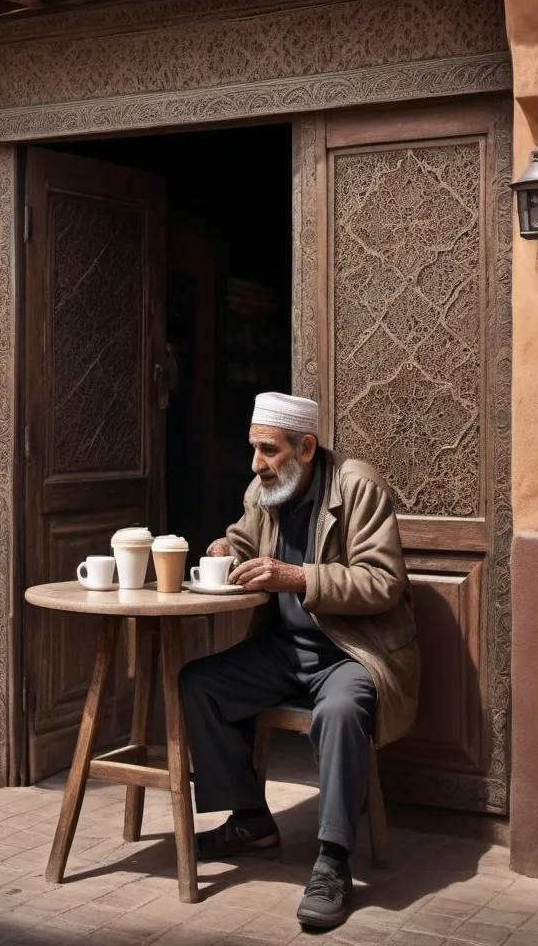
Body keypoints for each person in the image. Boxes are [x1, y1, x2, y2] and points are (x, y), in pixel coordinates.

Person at [179, 392, 420, 929]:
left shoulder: (358, 486)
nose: (256, 463)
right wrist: (225, 549)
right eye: (254, 449)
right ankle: (250, 821)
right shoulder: (264, 488)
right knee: (201, 683)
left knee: (339, 711)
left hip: (353, 652)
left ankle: (333, 860)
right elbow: (244, 539)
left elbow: (383, 582)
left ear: (306, 447)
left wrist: (299, 576)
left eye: (268, 450)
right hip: (283, 650)